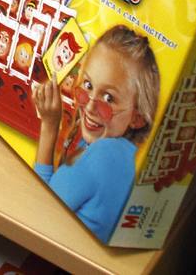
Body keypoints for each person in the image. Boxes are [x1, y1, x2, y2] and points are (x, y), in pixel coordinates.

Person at [30, 25, 161, 243]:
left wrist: (49, 126)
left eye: (109, 98)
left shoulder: (102, 154)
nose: (90, 107)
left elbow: (39, 210)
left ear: (137, 117)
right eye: (88, 85)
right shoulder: (123, 153)